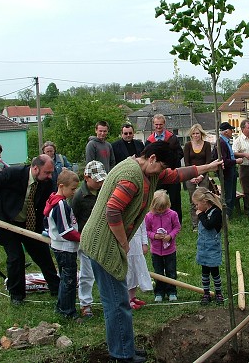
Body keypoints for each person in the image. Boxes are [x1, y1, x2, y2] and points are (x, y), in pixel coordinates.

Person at [79, 141, 221, 363]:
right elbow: (113, 211)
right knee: (117, 303)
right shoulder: (131, 177)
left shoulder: (148, 171)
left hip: (109, 242)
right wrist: (124, 242)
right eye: (162, 166)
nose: (163, 172)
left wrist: (207, 167)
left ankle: (125, 349)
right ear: (152, 158)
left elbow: (176, 175)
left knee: (119, 302)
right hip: (103, 245)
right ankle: (122, 355)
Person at [0, 154, 60, 305]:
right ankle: (17, 296)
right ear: (35, 168)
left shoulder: (47, 182)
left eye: (51, 172)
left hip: (29, 223)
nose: (50, 175)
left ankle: (57, 289)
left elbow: (53, 201)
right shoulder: (12, 174)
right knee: (16, 257)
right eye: (47, 172)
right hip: (6, 221)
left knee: (42, 254)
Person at [71, 160, 107, 319]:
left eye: (102, 179)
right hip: (85, 239)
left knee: (106, 270)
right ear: (86, 177)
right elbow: (73, 218)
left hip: (102, 237)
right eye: (97, 179)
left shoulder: (104, 191)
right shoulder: (79, 196)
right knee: (87, 273)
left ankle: (108, 300)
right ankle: (85, 304)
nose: (100, 182)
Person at [43, 169, 80, 319]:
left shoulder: (56, 201)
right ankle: (67, 311)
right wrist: (81, 237)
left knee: (65, 279)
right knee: (69, 281)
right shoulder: (60, 205)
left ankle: (61, 306)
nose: (74, 192)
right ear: (61, 186)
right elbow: (65, 231)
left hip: (61, 247)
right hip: (65, 248)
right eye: (72, 189)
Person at [145, 114, 184, 224]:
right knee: (157, 198)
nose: (158, 127)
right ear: (153, 125)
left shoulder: (172, 138)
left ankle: (177, 223)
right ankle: (157, 222)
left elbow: (180, 153)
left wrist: (169, 164)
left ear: (164, 124)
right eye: (156, 124)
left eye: (160, 124)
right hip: (157, 175)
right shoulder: (149, 140)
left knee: (175, 199)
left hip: (171, 172)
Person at [145, 190, 180, 303]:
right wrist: (154, 236)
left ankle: (172, 291)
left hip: (170, 250)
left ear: (167, 205)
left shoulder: (172, 214)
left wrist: (170, 236)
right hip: (155, 251)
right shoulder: (149, 216)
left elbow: (177, 227)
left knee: (171, 271)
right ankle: (159, 292)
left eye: (163, 208)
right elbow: (146, 231)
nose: (160, 211)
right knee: (158, 272)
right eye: (158, 209)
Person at [192, 187, 224, 306]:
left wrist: (200, 215)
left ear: (204, 202)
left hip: (213, 248)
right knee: (205, 272)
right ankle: (206, 293)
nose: (196, 208)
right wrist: (201, 213)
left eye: (197, 204)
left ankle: (218, 293)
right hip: (203, 248)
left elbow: (209, 225)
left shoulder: (216, 212)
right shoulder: (205, 212)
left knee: (215, 272)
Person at [183, 123, 212, 230]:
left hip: (203, 175)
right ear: (191, 135)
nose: (196, 135)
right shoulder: (187, 145)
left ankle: (205, 222)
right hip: (190, 176)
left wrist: (201, 176)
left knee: (204, 199)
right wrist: (191, 177)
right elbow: (186, 162)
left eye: (198, 133)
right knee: (193, 201)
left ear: (201, 134)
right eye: (194, 134)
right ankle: (195, 224)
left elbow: (208, 162)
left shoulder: (207, 145)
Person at [215, 122, 243, 217]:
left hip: (231, 171)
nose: (232, 132)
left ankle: (229, 213)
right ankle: (227, 215)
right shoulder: (221, 143)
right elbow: (224, 160)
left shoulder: (225, 141)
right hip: (226, 172)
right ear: (226, 131)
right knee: (228, 194)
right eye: (231, 130)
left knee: (231, 192)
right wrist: (236, 161)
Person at [126, 222, 151, 310]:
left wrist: (144, 243)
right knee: (128, 274)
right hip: (127, 246)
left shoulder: (141, 212)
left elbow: (143, 229)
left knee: (136, 273)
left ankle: (133, 296)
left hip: (137, 245)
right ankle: (127, 299)